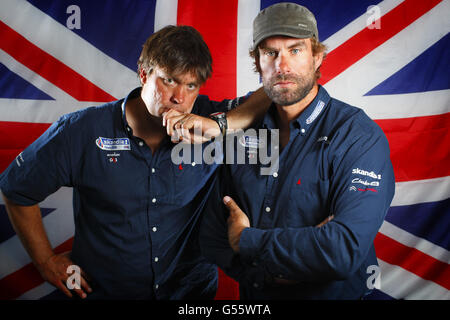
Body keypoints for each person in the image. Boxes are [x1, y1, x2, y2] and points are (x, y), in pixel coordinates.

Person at [0, 25, 270, 300]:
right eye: (169, 81)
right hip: (106, 293)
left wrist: (220, 126)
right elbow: (17, 189)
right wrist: (45, 261)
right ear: (144, 74)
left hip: (191, 294)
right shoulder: (82, 130)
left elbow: (274, 93)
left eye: (191, 85)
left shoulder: (208, 121)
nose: (180, 97)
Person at [199, 3, 395, 300]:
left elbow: (344, 249)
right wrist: (268, 274)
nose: (282, 66)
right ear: (257, 61)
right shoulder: (240, 134)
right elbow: (212, 235)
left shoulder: (357, 136)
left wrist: (247, 240)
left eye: (295, 50)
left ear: (317, 57)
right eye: (270, 53)